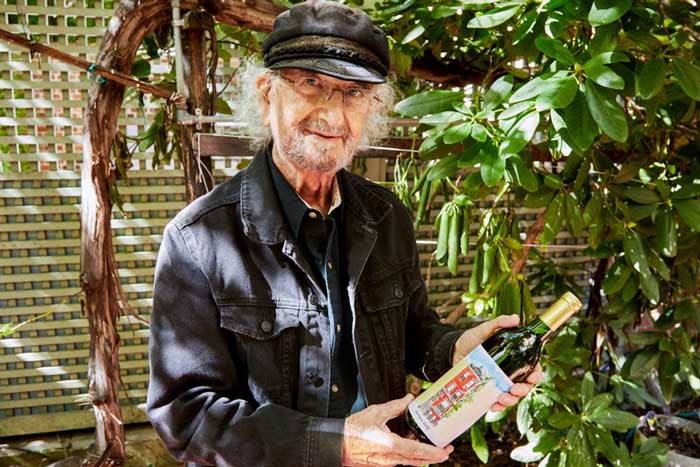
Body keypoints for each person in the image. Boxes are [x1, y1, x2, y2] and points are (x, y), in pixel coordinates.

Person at [146, 1, 542, 466]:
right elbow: (185, 416)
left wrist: (452, 349)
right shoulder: (199, 239)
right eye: (311, 83)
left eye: (354, 93)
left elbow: (410, 331)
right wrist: (335, 444)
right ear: (266, 93)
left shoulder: (386, 215)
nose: (333, 115)